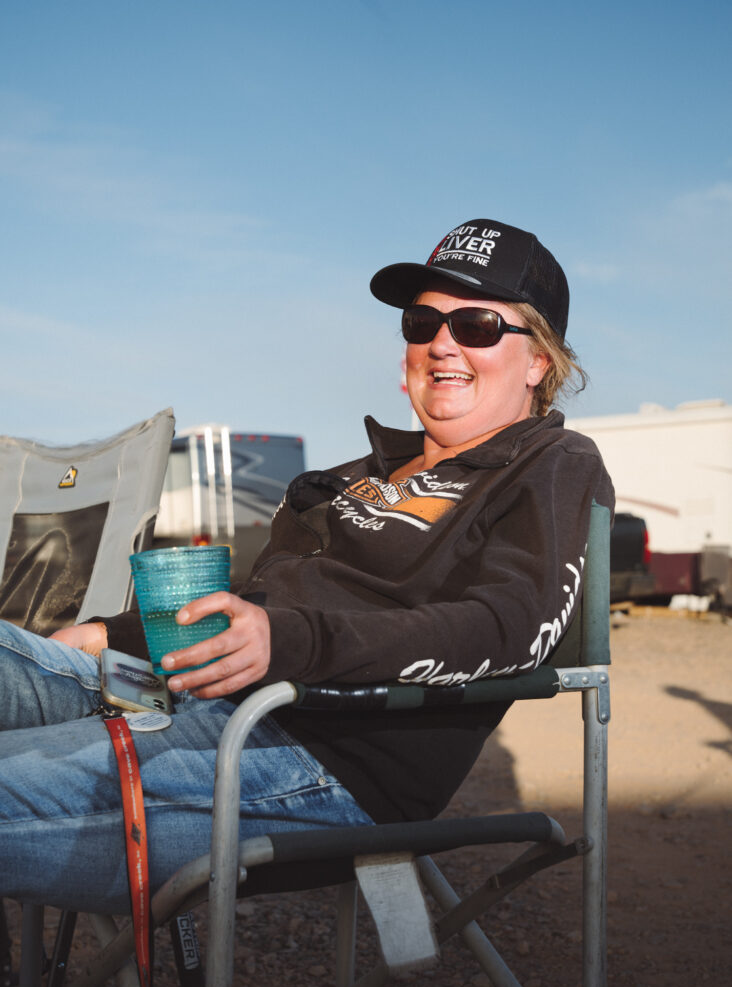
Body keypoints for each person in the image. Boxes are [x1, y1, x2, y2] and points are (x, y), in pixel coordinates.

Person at [0, 217, 613, 915]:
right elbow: (259, 603)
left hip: (320, 755)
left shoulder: (552, 465)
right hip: (189, 693)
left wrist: (289, 643)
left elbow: (509, 626)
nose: (442, 342)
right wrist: (115, 636)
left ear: (539, 361)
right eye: (422, 322)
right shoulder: (346, 477)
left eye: (476, 325)